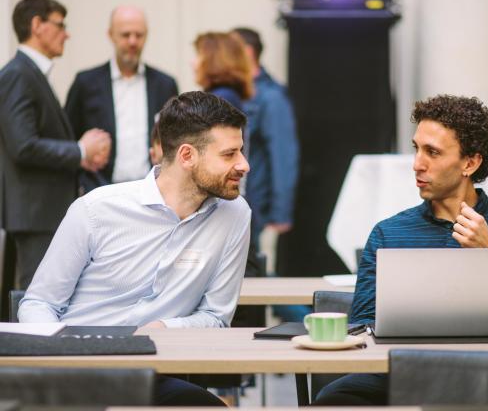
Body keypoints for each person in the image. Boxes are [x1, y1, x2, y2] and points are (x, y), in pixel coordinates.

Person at [19, 91, 251, 405]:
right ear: (186, 156)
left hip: (156, 373)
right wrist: (64, 358)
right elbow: (38, 303)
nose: (244, 164)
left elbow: (216, 317)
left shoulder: (235, 215)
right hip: (76, 375)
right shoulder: (96, 209)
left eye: (241, 151)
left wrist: (162, 328)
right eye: (229, 154)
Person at [312, 94, 488, 406]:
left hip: (484, 372)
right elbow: (362, 323)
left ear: (470, 163)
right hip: (402, 370)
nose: (417, 164)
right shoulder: (388, 233)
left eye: (432, 152)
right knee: (334, 398)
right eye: (416, 148)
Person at [0, 0, 110, 292]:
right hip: (36, 214)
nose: (67, 34)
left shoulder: (30, 73)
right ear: (37, 25)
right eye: (61, 25)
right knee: (37, 295)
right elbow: (23, 146)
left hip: (42, 212)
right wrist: (80, 150)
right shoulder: (18, 75)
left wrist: (81, 156)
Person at [65, 5, 178, 192]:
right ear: (111, 35)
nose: (133, 41)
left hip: (152, 189)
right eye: (125, 35)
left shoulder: (165, 84)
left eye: (139, 35)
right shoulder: (86, 82)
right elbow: (68, 136)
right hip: (99, 188)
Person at [232, 27, 299, 247]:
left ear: (247, 53)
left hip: (255, 204)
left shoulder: (271, 97)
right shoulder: (235, 93)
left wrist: (280, 213)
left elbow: (283, 157)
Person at [192, 31, 253, 112]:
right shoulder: (223, 95)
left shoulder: (221, 98)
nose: (193, 62)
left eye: (199, 55)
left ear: (214, 60)